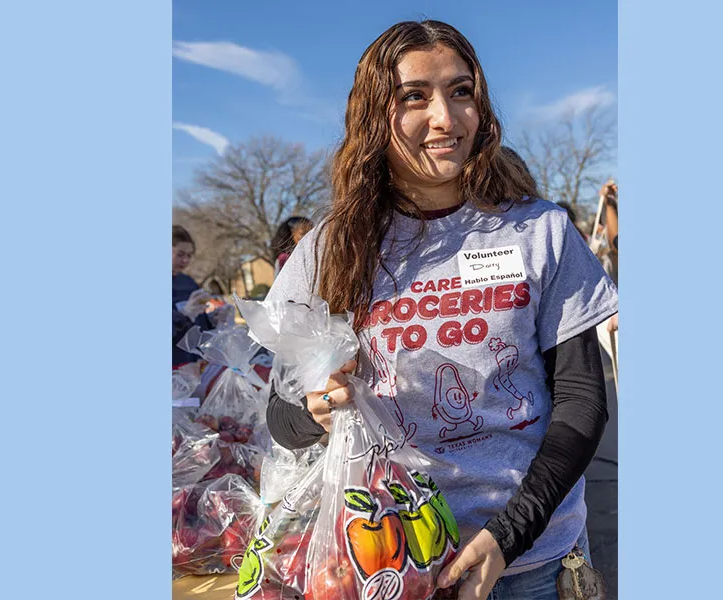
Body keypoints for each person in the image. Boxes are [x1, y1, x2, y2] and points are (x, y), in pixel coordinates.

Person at [263, 20, 617, 600]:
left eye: (461, 92)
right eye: (413, 97)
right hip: (386, 563)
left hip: (533, 563)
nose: (445, 120)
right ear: (374, 115)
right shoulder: (327, 249)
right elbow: (281, 417)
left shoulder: (540, 231)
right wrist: (316, 410)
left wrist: (509, 535)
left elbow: (582, 401)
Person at [171, 225, 232, 368]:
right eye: (180, 254)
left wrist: (214, 319)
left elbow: (198, 325)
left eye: (189, 255)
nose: (185, 260)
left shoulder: (188, 282)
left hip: (192, 365)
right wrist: (183, 315)